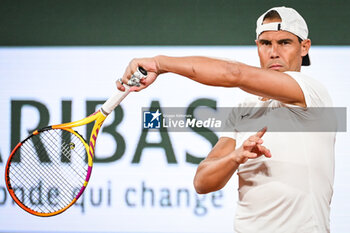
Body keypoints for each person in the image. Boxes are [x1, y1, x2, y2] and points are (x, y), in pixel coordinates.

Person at [117, 6, 335, 233]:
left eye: (285, 42)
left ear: (304, 47)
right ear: (257, 46)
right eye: (265, 43)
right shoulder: (243, 108)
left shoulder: (310, 92)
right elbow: (202, 181)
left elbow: (233, 73)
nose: (274, 52)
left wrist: (160, 63)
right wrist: (235, 157)